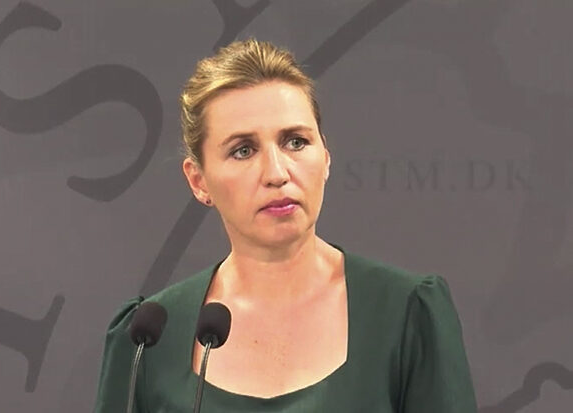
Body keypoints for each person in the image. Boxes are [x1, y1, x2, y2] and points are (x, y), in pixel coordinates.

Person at [94, 38, 478, 412]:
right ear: (199, 181)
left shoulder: (405, 313)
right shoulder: (148, 338)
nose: (277, 173)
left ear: (326, 156)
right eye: (243, 150)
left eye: (295, 142)